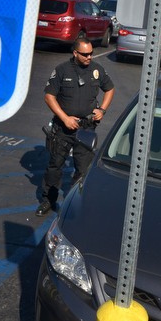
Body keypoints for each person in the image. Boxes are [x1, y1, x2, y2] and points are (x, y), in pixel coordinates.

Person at [36, 37, 115, 215]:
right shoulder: (62, 70)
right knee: (55, 166)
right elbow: (49, 96)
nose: (89, 57)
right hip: (63, 128)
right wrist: (64, 118)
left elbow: (110, 89)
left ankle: (73, 204)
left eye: (91, 53)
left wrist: (102, 109)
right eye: (85, 54)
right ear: (75, 53)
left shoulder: (97, 70)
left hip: (86, 128)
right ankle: (48, 200)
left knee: (83, 169)